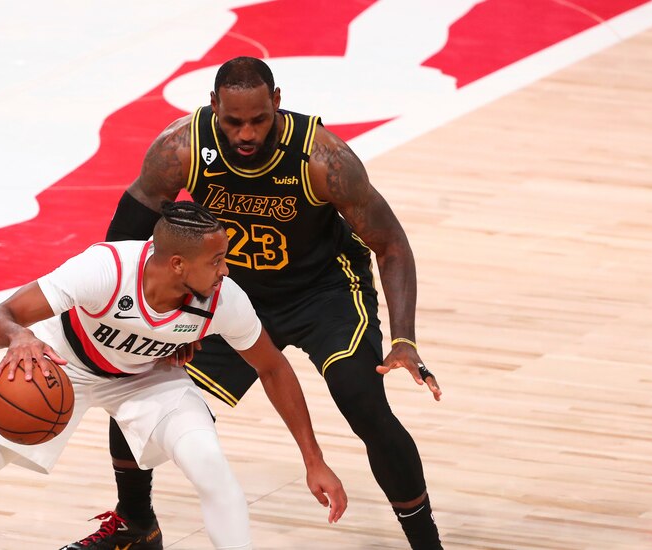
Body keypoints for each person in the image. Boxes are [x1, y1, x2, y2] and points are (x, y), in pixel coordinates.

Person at [64, 56, 444, 550]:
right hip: (229, 293)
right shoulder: (180, 148)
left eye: (259, 119)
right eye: (233, 120)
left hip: (323, 292)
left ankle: (427, 543)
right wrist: (139, 321)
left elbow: (391, 244)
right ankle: (137, 524)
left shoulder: (322, 158)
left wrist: (404, 339)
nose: (246, 132)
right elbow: (123, 242)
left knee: (363, 400)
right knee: (142, 392)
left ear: (277, 103)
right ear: (213, 106)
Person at [0, 201, 347, 550]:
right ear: (178, 264)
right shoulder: (104, 269)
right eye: (217, 260)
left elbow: (272, 366)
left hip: (145, 379)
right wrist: (19, 337)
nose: (226, 268)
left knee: (209, 464)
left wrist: (313, 459)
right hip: (59, 367)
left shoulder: (223, 299)